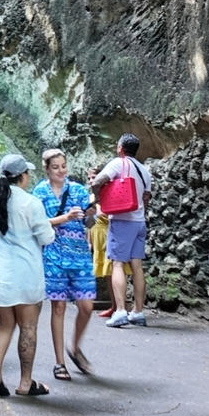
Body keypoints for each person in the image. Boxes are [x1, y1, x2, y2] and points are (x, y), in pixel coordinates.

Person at [0, 154, 54, 398]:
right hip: (25, 276)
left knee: (5, 324)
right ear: (23, 176)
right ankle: (25, 382)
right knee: (28, 326)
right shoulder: (30, 203)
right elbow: (46, 238)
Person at [35, 149, 95, 378]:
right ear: (47, 169)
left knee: (86, 306)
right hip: (53, 254)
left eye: (63, 166)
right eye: (56, 167)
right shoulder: (40, 192)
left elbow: (89, 223)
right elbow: (38, 223)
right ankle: (59, 362)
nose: (61, 171)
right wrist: (65, 218)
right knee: (58, 307)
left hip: (79, 254)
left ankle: (75, 346)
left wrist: (91, 214)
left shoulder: (79, 190)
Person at [89, 134, 150, 327]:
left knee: (117, 264)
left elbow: (97, 181)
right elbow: (147, 198)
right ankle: (138, 312)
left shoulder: (118, 163)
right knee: (137, 266)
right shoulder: (144, 170)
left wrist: (99, 198)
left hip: (122, 221)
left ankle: (121, 310)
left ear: (120, 148)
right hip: (140, 221)